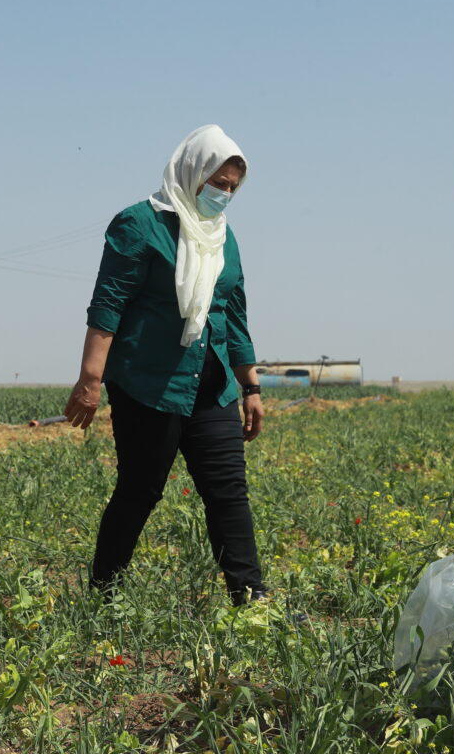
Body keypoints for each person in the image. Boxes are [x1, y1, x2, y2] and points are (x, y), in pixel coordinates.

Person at [65, 124, 267, 605]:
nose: (224, 195)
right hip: (148, 383)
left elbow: (232, 313)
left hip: (212, 383)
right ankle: (103, 595)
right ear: (191, 172)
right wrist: (90, 379)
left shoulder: (223, 237)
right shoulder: (139, 223)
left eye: (233, 188)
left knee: (228, 492)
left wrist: (251, 385)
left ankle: (252, 599)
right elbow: (108, 304)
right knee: (140, 490)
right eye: (218, 183)